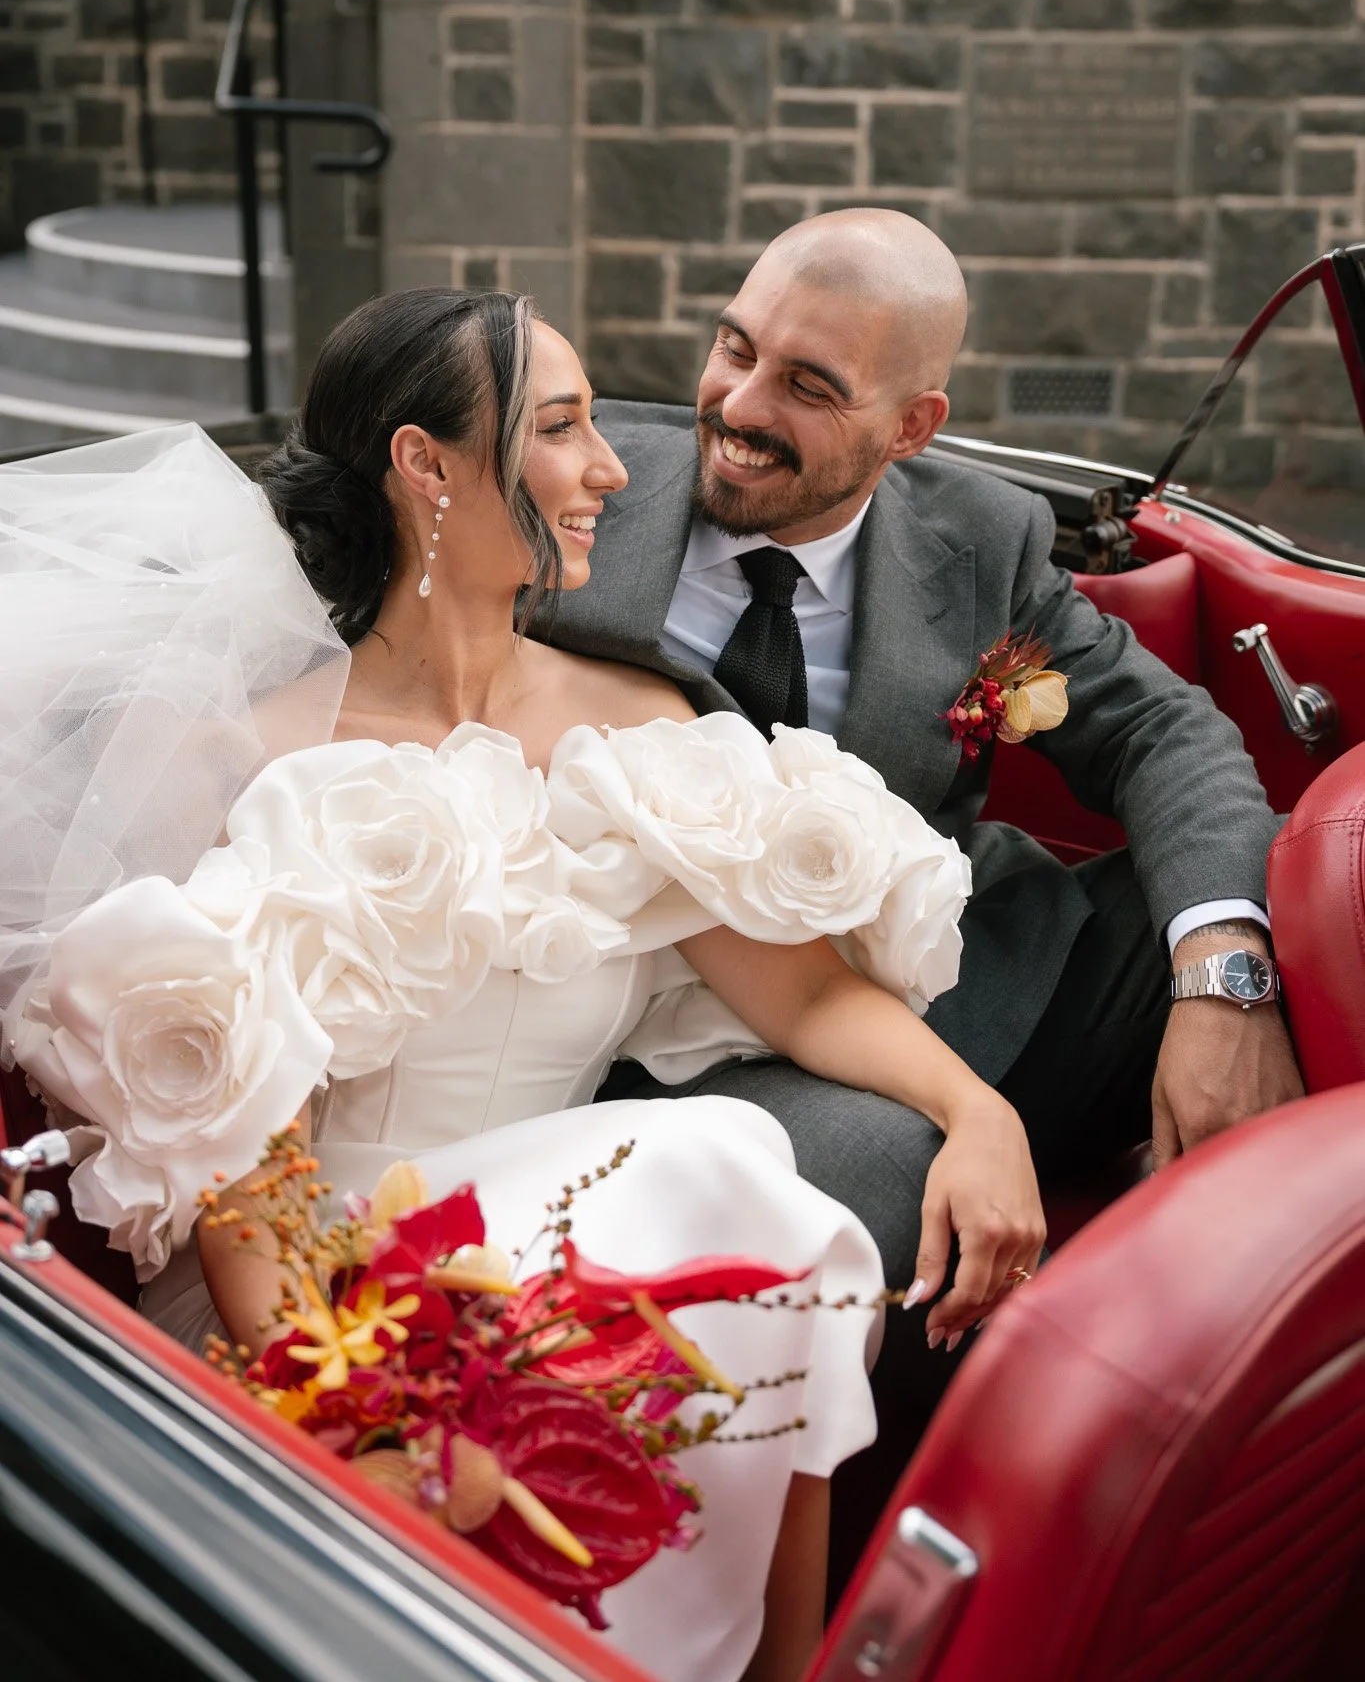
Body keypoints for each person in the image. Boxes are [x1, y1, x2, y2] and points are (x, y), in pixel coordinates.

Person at [4, 288, 1044, 1682]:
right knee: (731, 1167)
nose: (615, 468)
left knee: (778, 1210)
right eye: (561, 428)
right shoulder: (246, 757)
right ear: (427, 466)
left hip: (561, 1242)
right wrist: (349, 1393)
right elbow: (240, 1145)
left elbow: (801, 998)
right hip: (327, 1290)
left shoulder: (637, 730)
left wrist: (982, 1117)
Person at [545, 207, 1305, 1557]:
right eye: (736, 348)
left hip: (978, 965)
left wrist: (1223, 984)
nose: (740, 405)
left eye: (811, 388)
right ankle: (975, 1543)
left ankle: (1277, 1340)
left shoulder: (985, 545)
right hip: (697, 1041)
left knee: (1311, 907)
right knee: (881, 1171)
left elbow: (1166, 732)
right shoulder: (579, 496)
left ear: (911, 428)